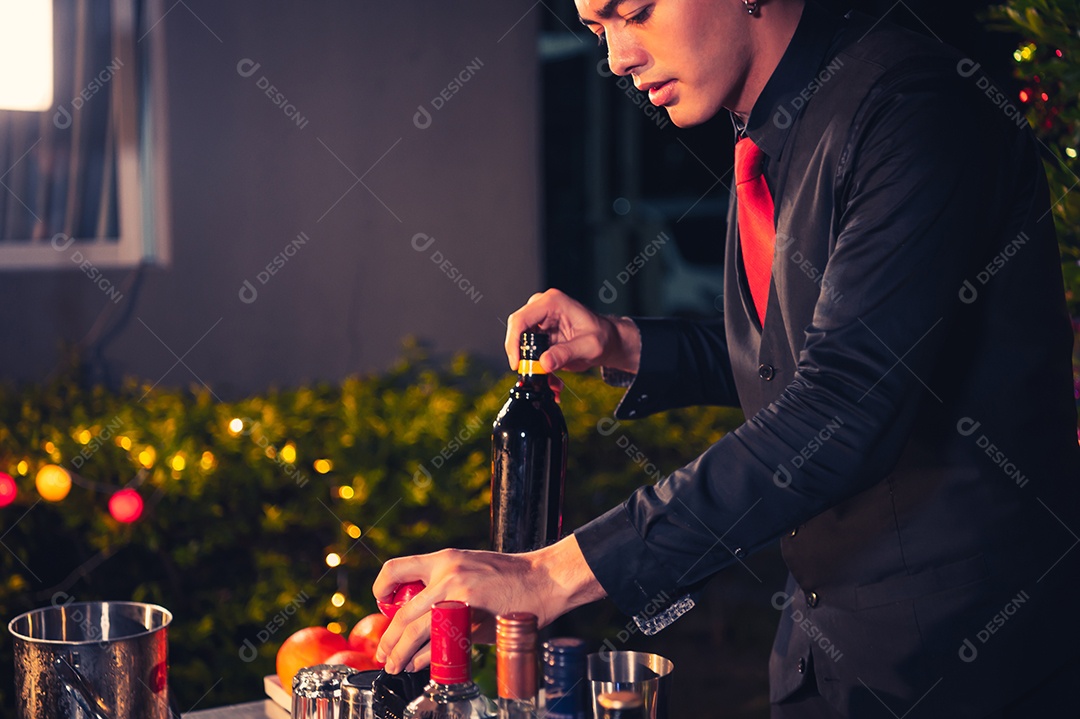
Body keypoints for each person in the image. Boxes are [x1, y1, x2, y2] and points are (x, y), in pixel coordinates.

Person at [374, 0, 1080, 716]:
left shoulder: (914, 106)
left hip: (965, 665)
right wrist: (623, 342)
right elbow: (804, 351)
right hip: (818, 653)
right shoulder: (769, 125)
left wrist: (548, 575)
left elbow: (843, 403)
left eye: (635, 12)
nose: (616, 58)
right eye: (597, 29)